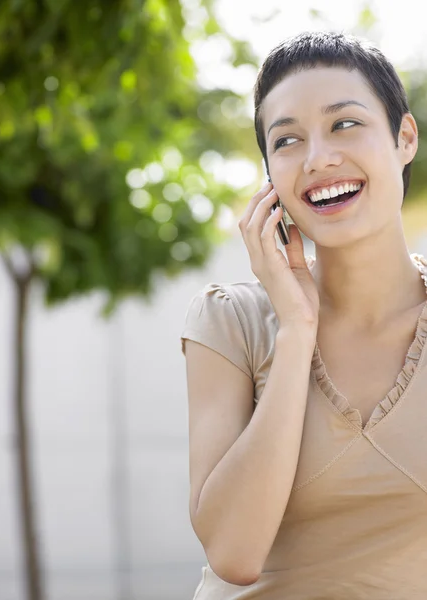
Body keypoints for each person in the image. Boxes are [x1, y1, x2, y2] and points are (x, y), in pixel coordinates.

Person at [180, 30, 427, 599]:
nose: (318, 159)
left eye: (345, 124)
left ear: (404, 137)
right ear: (269, 175)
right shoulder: (231, 322)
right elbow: (232, 553)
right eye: (287, 140)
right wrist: (296, 331)